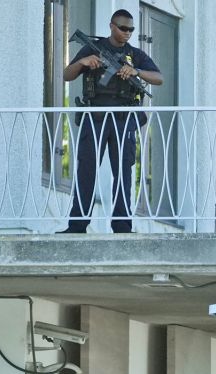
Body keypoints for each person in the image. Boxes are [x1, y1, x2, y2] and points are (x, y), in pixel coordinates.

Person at [58, 9, 162, 234]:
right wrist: (84, 61)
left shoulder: (134, 54)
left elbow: (159, 77)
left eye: (131, 29)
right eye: (123, 28)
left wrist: (136, 71)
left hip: (123, 119)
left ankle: (122, 226)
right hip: (94, 117)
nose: (128, 33)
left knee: (123, 173)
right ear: (112, 26)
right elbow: (66, 75)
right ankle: (77, 225)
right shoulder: (92, 48)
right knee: (86, 170)